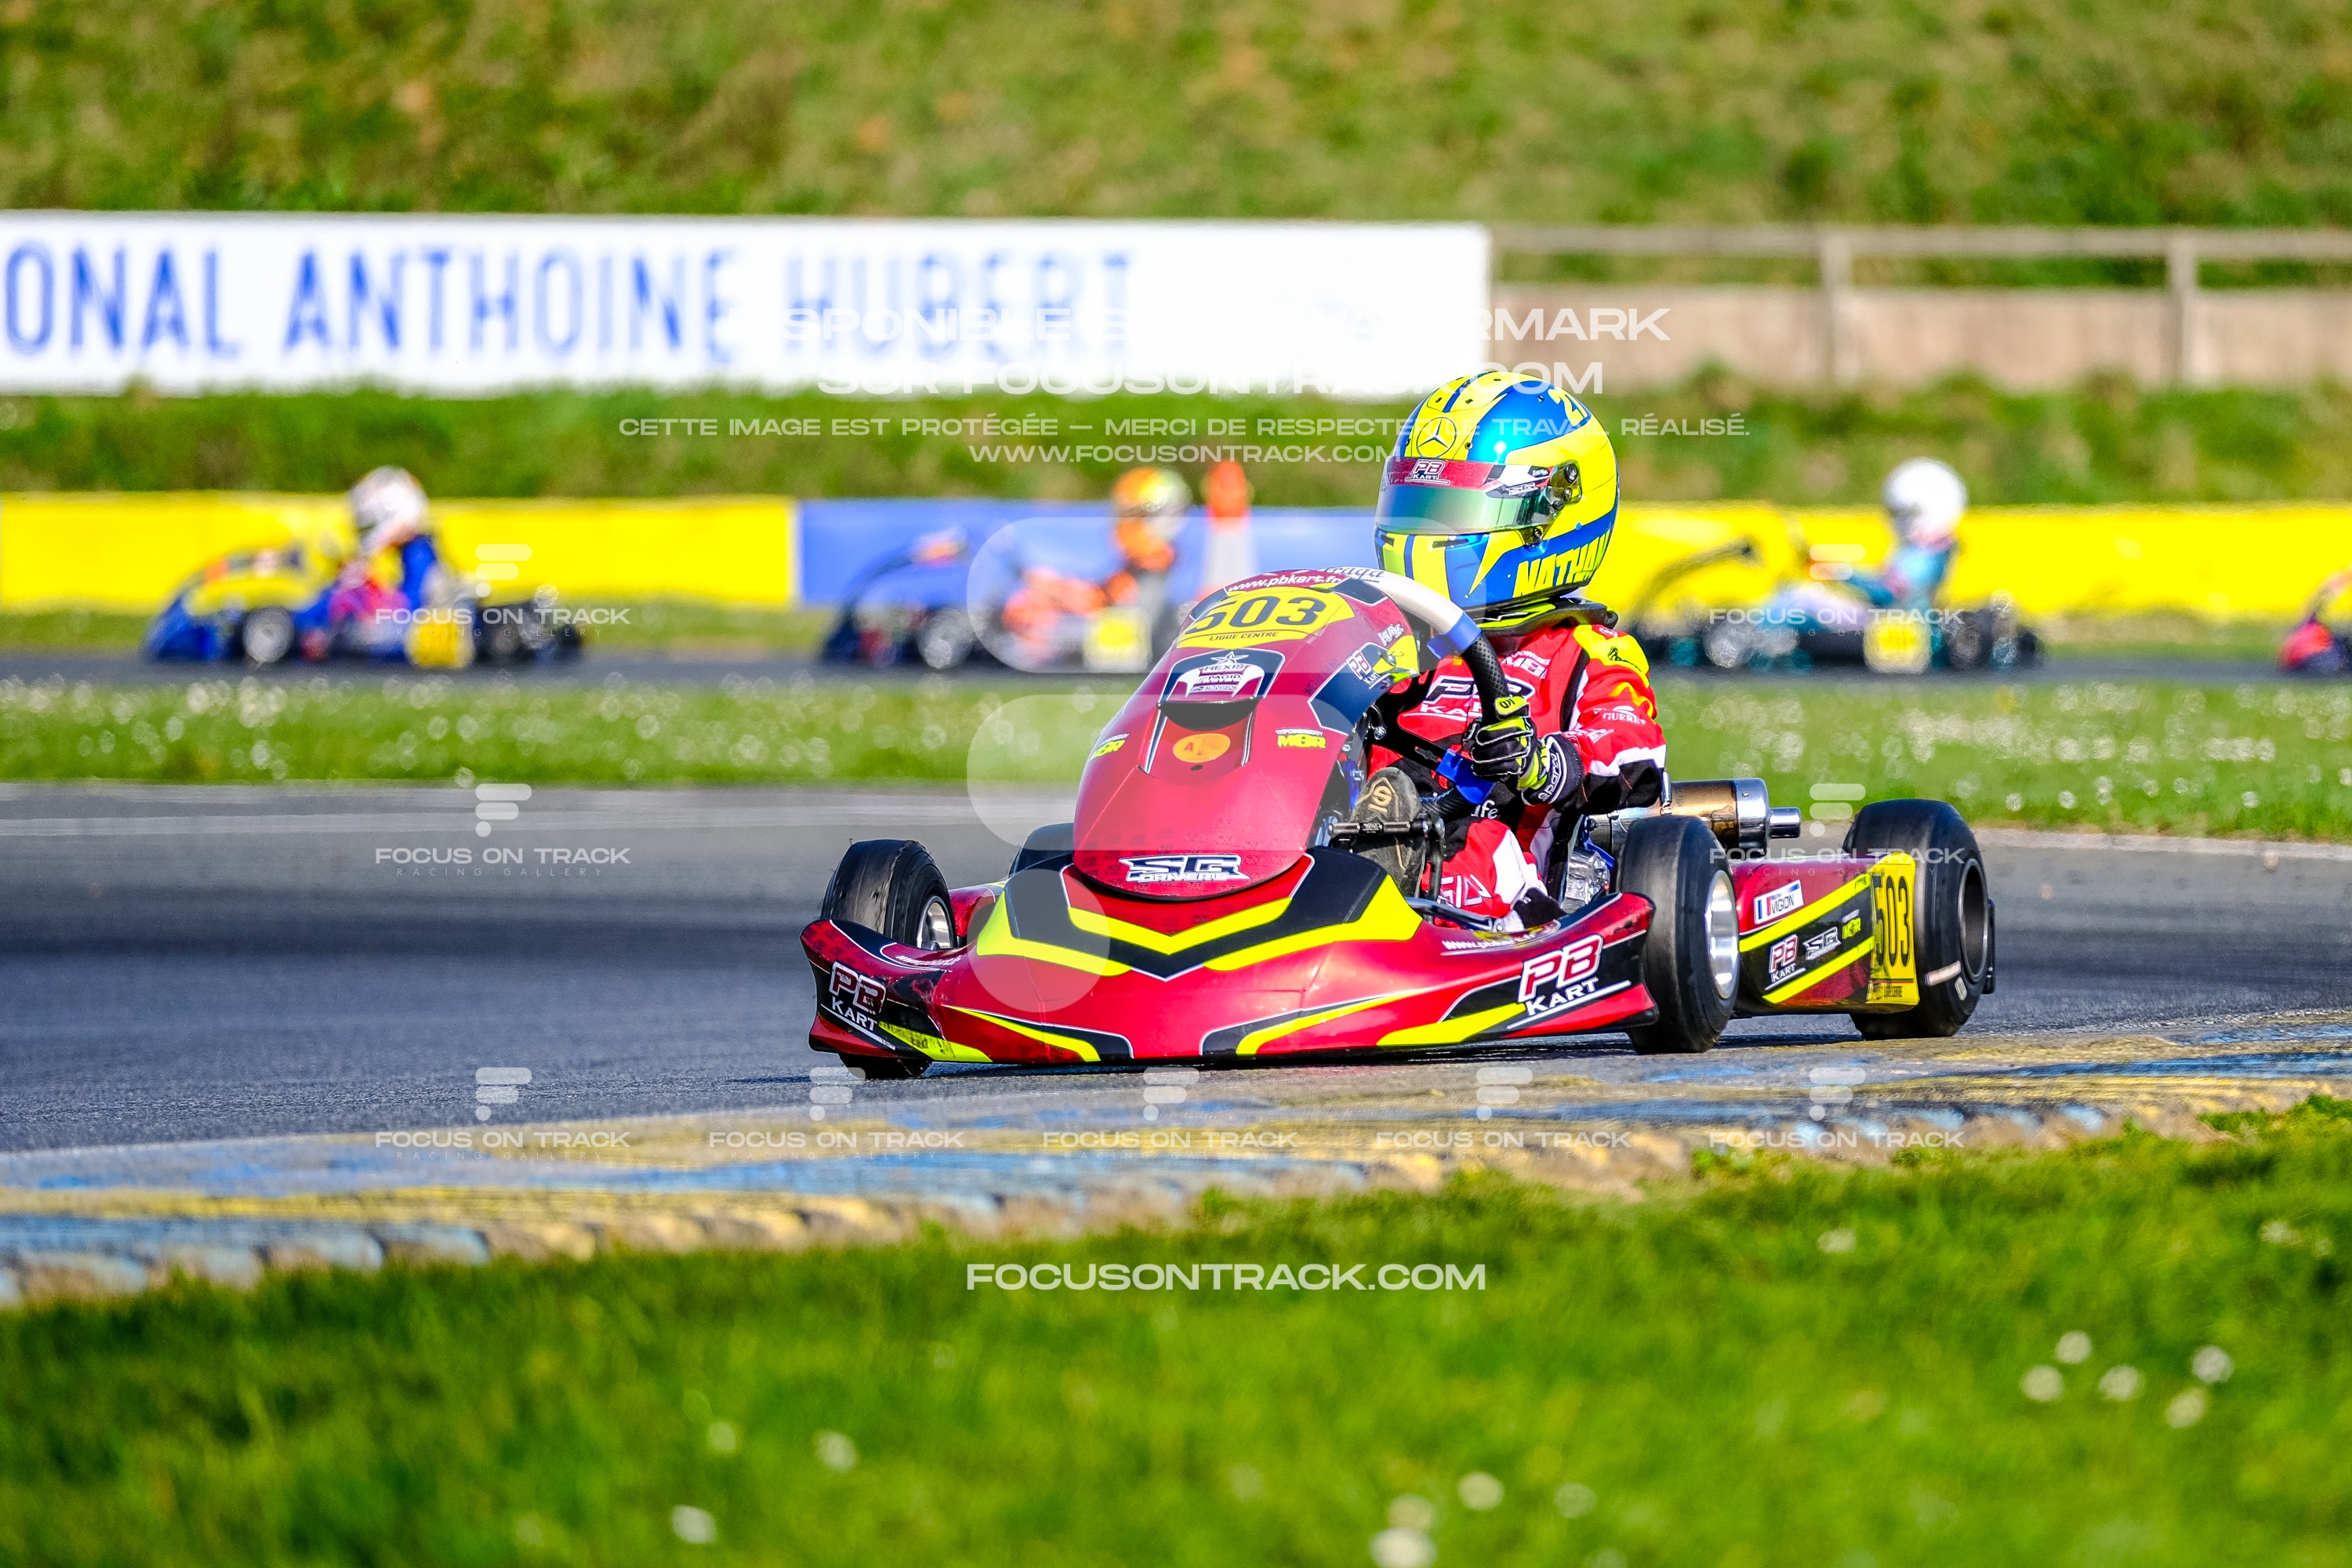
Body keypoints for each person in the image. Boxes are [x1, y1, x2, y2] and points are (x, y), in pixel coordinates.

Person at [1352, 370, 1663, 924]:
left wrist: (1545, 763)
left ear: (1550, 515)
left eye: (1454, 512)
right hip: (1364, 836)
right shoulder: (1387, 646)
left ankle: (1395, 876)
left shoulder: (1588, 652)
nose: (1429, 532)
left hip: (1509, 889)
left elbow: (1632, 748)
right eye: (1418, 508)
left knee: (1477, 842)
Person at [322, 466, 447, 658]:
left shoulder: (419, 555)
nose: (363, 534)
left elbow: (409, 610)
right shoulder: (397, 555)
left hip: (407, 636)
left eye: (368, 526)